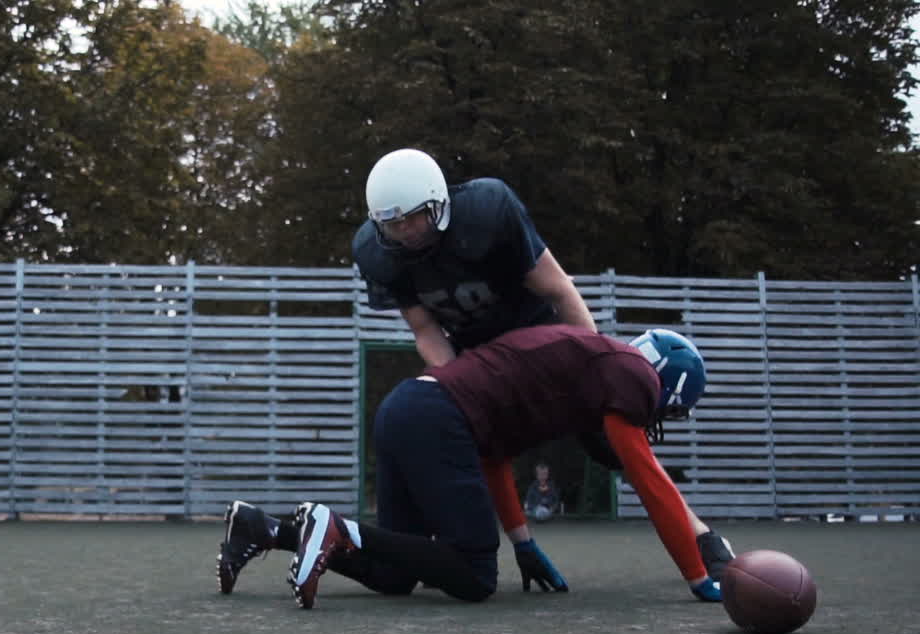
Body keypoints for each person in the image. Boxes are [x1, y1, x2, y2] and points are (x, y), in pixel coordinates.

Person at [351, 148, 730, 580]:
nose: (405, 231)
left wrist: (594, 366)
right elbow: (425, 330)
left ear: (438, 203)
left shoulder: (487, 212)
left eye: (413, 217)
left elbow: (559, 291)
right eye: (392, 223)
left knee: (613, 442)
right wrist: (458, 386)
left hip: (543, 343)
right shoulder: (378, 252)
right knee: (463, 433)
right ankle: (438, 539)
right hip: (480, 356)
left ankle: (701, 538)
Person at [216, 324, 736, 609]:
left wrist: (525, 545)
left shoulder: (583, 363)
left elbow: (493, 460)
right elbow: (649, 482)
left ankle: (266, 527)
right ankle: (333, 526)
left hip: (407, 409)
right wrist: (698, 576)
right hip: (438, 418)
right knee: (475, 574)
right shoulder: (633, 374)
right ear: (665, 385)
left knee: (396, 575)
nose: (652, 419)